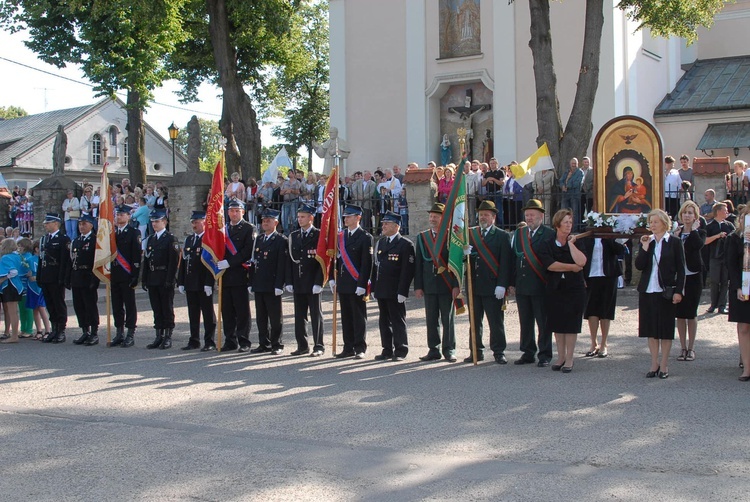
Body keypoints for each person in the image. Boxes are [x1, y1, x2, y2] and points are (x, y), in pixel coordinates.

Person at [635, 209, 686, 379]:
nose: (652, 225)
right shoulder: (647, 241)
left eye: (655, 222)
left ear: (664, 223)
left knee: (664, 329)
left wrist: (679, 291)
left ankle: (664, 364)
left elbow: (681, 270)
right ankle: (654, 363)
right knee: (651, 329)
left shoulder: (675, 242)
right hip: (648, 290)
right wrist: (644, 247)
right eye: (650, 222)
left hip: (666, 292)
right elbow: (639, 265)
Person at [539, 209, 587, 372]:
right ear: (557, 223)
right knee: (557, 324)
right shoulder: (547, 243)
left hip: (574, 289)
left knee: (571, 325)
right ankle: (560, 357)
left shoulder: (576, 241)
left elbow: (581, 262)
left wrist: (571, 245)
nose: (569, 225)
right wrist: (571, 267)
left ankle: (570, 359)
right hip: (555, 289)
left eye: (570, 222)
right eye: (566, 222)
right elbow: (550, 265)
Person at [465, 200, 513, 363]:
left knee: (496, 321)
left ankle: (499, 351)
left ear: (493, 217)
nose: (482, 217)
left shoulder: (502, 235)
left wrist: (502, 284)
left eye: (486, 215)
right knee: (474, 322)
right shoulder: (470, 234)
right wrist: (464, 255)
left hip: (493, 286)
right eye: (480, 215)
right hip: (474, 285)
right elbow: (463, 263)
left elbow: (506, 263)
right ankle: (476, 351)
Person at [509, 199, 555, 366]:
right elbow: (514, 259)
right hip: (522, 285)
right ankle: (528, 352)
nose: (529, 218)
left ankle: (545, 354)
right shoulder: (519, 234)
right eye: (527, 215)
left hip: (541, 285)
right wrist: (511, 282)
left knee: (543, 322)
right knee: (525, 321)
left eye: (532, 215)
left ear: (541, 216)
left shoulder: (549, 234)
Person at [414, 203, 460, 362]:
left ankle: (449, 349)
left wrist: (456, 285)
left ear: (444, 219)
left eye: (436, 216)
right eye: (431, 216)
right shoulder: (422, 237)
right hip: (429, 284)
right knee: (431, 318)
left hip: (446, 284)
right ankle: (433, 349)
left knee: (448, 319)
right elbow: (419, 263)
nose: (432, 219)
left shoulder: (452, 237)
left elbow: (456, 263)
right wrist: (418, 286)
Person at [371, 211, 415, 361]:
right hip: (382, 288)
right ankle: (387, 349)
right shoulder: (381, 243)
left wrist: (403, 291)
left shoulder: (405, 244)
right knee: (384, 321)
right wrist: (373, 287)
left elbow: (407, 271)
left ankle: (401, 349)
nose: (383, 226)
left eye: (387, 223)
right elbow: (375, 267)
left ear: (396, 226)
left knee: (397, 320)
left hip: (395, 290)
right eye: (383, 223)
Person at [330, 205, 373, 359]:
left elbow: (366, 264)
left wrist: (362, 284)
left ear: (358, 218)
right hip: (343, 283)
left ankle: (360, 347)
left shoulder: (365, 237)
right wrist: (332, 278)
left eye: (349, 216)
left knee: (359, 317)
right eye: (345, 216)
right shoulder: (340, 237)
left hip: (356, 284)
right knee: (346, 317)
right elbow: (335, 260)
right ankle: (348, 347)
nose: (346, 219)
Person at [215, 200, 256, 352]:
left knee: (241, 310)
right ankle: (230, 340)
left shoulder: (248, 229)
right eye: (232, 211)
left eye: (237, 211)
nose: (234, 213)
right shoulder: (223, 229)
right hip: (224, 276)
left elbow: (247, 252)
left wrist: (230, 262)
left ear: (243, 212)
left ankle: (244, 340)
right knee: (227, 310)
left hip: (239, 274)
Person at [286, 204, 325, 356]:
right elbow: (289, 260)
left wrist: (319, 282)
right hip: (298, 281)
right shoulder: (294, 236)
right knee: (299, 315)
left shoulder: (319, 235)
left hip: (312, 281)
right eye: (298, 217)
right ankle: (302, 345)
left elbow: (322, 261)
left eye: (303, 217)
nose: (300, 220)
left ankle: (319, 346)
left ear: (311, 218)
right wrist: (289, 281)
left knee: (316, 315)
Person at [249, 209, 288, 355]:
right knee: (261, 317)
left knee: (275, 317)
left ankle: (277, 343)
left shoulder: (280, 240)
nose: (265, 223)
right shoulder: (259, 239)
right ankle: (263, 343)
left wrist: (280, 284)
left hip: (272, 284)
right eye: (263, 220)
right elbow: (254, 262)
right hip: (259, 283)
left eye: (268, 220)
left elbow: (281, 265)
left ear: (276, 222)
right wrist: (251, 282)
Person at [579, 235, 625, 359]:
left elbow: (620, 250)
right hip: (591, 276)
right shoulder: (586, 237)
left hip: (609, 276)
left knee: (606, 310)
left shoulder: (610, 237)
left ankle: (604, 344)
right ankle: (593, 343)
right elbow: (580, 257)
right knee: (591, 310)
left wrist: (609, 237)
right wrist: (582, 276)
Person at [177, 211, 217, 351]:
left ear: (204, 222)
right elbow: (184, 261)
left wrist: (209, 283)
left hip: (203, 282)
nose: (194, 224)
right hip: (190, 282)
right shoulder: (189, 240)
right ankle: (194, 340)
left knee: (207, 313)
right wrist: (181, 281)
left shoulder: (208, 239)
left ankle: (209, 340)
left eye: (197, 222)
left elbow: (211, 263)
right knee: (193, 313)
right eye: (193, 222)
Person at [141, 210, 179, 350]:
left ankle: (168, 336)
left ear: (164, 222)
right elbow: (147, 260)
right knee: (156, 308)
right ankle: (159, 335)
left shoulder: (170, 239)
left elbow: (173, 262)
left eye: (157, 221)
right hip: (153, 277)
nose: (154, 224)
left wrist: (170, 279)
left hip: (164, 277)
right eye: (153, 221)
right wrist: (144, 279)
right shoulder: (151, 239)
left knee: (166, 308)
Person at [674, 200, 706, 363]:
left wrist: (692, 231)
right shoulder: (677, 233)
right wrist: (676, 236)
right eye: (685, 212)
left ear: (695, 216)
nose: (687, 215)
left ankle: (691, 348)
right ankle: (682, 347)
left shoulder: (699, 232)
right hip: (680, 278)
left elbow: (698, 246)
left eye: (690, 213)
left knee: (691, 313)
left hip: (693, 276)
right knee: (680, 314)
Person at [108, 205, 141, 348]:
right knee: (116, 305)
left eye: (122, 214)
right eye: (118, 214)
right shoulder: (112, 234)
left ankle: (130, 333)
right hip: (114, 274)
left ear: (128, 216)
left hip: (127, 274)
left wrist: (135, 275)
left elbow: (136, 255)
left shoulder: (134, 232)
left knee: (129, 304)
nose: (119, 217)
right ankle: (119, 331)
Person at [67, 215, 101, 346]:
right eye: (80, 224)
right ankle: (84, 331)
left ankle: (94, 332)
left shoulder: (95, 241)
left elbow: (97, 262)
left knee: (90, 305)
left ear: (91, 225)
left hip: (88, 276)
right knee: (79, 305)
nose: (81, 226)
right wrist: (68, 278)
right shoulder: (76, 241)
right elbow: (72, 261)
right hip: (77, 276)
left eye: (84, 224)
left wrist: (95, 279)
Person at [37, 213, 70, 344]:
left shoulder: (63, 239)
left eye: (48, 223)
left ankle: (61, 330)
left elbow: (64, 261)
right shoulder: (44, 239)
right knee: (50, 304)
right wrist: (39, 276)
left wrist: (62, 278)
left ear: (56, 223)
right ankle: (54, 329)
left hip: (56, 276)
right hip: (46, 275)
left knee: (58, 303)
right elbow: (41, 259)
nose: (45, 225)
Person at [726, 206, 750, 380]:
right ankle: (747, 368)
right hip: (742, 287)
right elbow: (731, 265)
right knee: (744, 326)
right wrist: (738, 287)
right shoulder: (734, 238)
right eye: (744, 216)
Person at [705, 202, 734, 314]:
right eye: (724, 210)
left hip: (726, 257)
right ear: (718, 212)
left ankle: (722, 305)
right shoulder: (710, 226)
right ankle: (713, 304)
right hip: (714, 257)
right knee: (714, 281)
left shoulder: (729, 225)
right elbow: (705, 241)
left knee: (725, 282)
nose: (727, 212)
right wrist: (717, 236)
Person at [0, 238, 27, 344]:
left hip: (11, 286)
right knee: (13, 311)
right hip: (18, 285)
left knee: (12, 312)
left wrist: (3, 279)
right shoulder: (18, 256)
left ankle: (14, 336)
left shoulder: (6, 257)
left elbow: (13, 272)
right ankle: (14, 334)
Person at [27, 239, 51, 341]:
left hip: (40, 286)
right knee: (35, 309)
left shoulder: (45, 259)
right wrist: (28, 275)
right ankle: (39, 330)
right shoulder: (30, 259)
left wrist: (36, 277)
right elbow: (27, 272)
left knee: (42, 307)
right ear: (36, 249)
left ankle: (48, 330)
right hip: (32, 287)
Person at [560, 158, 583, 231]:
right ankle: (564, 227)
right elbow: (561, 180)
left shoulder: (580, 172)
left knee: (574, 212)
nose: (573, 165)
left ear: (577, 164)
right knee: (564, 211)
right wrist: (562, 186)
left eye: (575, 164)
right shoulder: (567, 172)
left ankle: (574, 229)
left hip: (575, 194)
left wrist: (567, 186)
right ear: (570, 164)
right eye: (572, 163)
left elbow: (577, 183)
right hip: (565, 194)